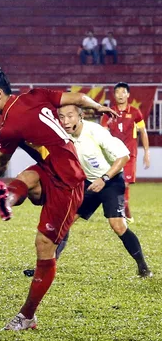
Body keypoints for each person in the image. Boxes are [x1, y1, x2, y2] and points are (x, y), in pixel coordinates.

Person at [0, 67, 118, 331]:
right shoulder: (36, 94)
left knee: (44, 247)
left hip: (69, 183)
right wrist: (100, 107)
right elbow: (80, 98)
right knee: (27, 178)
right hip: (53, 169)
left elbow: (2, 160)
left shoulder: (10, 127)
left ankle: (27, 316)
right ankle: (7, 200)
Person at [24, 105, 152, 278]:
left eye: (70, 116)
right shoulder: (62, 135)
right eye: (62, 117)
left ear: (80, 116)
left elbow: (124, 156)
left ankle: (143, 268)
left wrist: (104, 179)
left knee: (118, 225)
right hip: (88, 184)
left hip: (111, 181)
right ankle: (47, 269)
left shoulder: (96, 132)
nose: (66, 121)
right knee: (65, 222)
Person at [100, 82, 150, 223]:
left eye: (123, 92)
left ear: (128, 95)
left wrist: (147, 152)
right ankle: (125, 210)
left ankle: (124, 211)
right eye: (117, 92)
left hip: (129, 155)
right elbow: (103, 132)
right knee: (112, 183)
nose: (120, 95)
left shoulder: (135, 112)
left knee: (125, 183)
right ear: (114, 95)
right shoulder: (109, 113)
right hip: (112, 155)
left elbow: (143, 131)